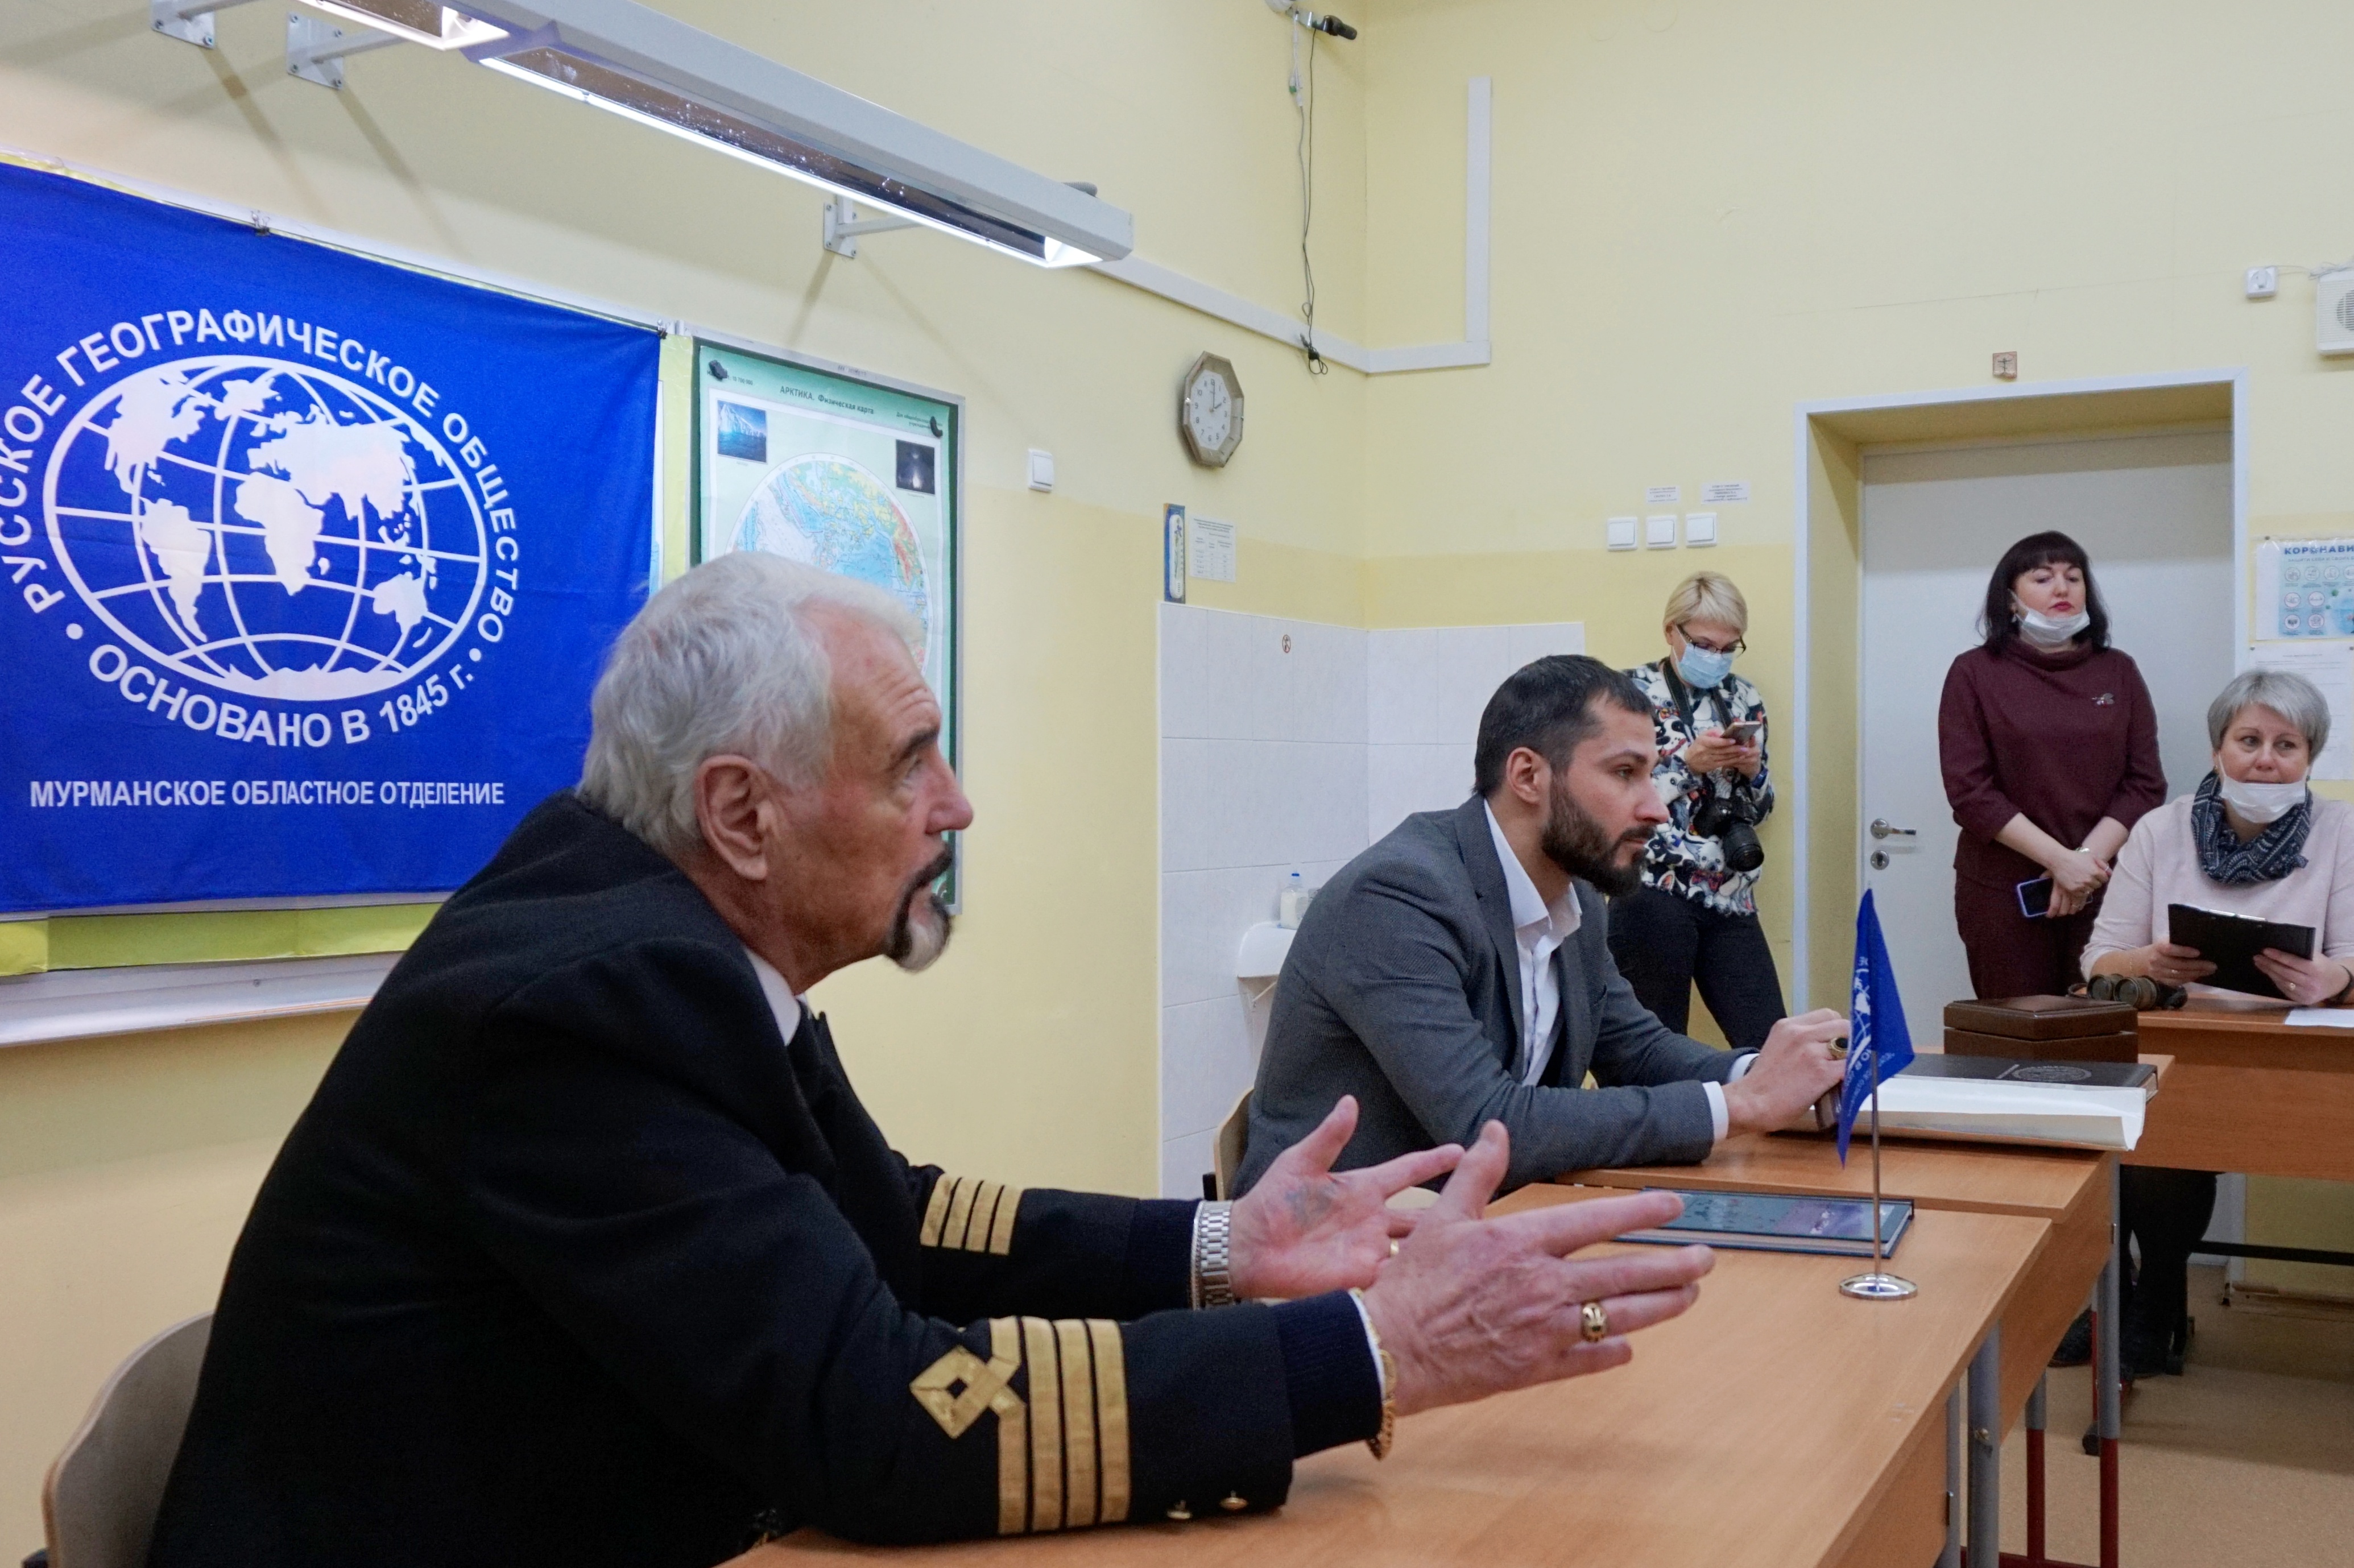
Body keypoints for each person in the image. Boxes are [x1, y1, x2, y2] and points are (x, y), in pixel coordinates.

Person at [147, 554, 1717, 1567]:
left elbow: (886, 1214)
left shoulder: (657, 943)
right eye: (911, 762)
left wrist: (1224, 1244)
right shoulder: (582, 1007)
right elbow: (882, 1414)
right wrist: (1379, 1346)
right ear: (741, 812)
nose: (955, 805)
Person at [1236, 654, 1848, 1199]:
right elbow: (1486, 1124)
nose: (1655, 808)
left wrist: (1770, 1073)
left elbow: (1636, 1051)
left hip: (1478, 1222)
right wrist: (1740, 1105)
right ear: (1528, 776)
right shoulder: (1397, 897)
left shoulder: (1571, 892)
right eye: (1624, 773)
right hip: (1330, 1249)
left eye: (1651, 773)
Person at [2076, 668, 2354, 1375]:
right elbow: (2097, 958)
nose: (2264, 759)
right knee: (2155, 1144)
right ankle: (2140, 1301)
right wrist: (2146, 961)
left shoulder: (2340, 830)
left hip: (2289, 1048)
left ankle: (2152, 1306)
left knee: (2186, 1135)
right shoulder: (2159, 829)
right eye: (2247, 740)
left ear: (2309, 757)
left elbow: (2351, 956)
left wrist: (2334, 977)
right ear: (2216, 749)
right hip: (2180, 1040)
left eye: (2286, 745)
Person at [1938, 531, 2166, 998]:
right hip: (2003, 889)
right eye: (2042, 578)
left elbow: (2144, 783)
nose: (2061, 588)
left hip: (2104, 884)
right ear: (2010, 599)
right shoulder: (1974, 672)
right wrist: (2059, 861)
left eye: (2072, 577)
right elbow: (1969, 790)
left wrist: (2083, 864)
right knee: (2018, 1024)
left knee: (2101, 1022)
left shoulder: (2118, 670)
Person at [1611, 571, 1786, 1053]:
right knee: (1655, 1047)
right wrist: (1687, 765)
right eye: (1705, 645)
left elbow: (1762, 809)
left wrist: (1753, 772)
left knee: (1768, 1042)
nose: (1717, 657)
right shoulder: (1626, 695)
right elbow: (1613, 799)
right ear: (1671, 631)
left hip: (1730, 891)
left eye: (1729, 647)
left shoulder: (1744, 698)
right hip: (1653, 889)